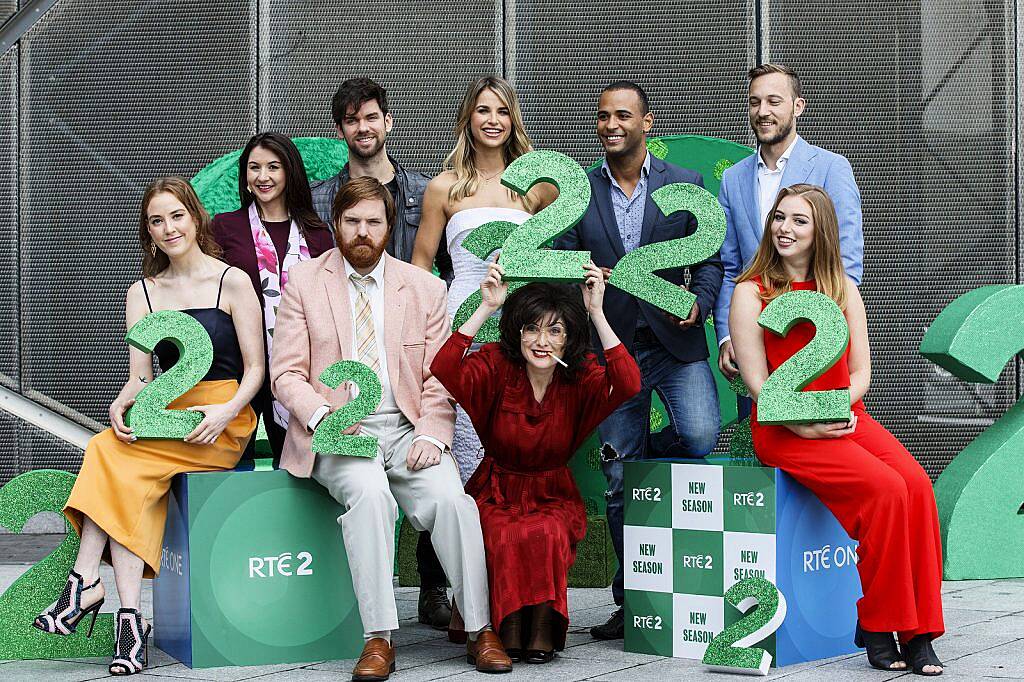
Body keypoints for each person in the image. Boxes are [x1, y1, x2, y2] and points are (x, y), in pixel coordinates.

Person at [270, 177, 512, 679]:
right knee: (372, 498)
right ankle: (378, 637)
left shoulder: (423, 286)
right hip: (336, 432)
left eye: (373, 222)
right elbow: (286, 373)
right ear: (336, 223)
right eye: (353, 221)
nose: (363, 232)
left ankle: (481, 629)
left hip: (406, 428)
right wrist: (323, 418)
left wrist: (431, 431)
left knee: (453, 500)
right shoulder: (305, 281)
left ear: (388, 225)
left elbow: (440, 376)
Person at [34, 177, 262, 675]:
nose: (168, 228)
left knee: (105, 455)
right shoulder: (142, 291)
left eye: (176, 216)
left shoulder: (233, 281)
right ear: (148, 231)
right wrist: (121, 403)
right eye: (157, 221)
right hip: (166, 413)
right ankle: (127, 619)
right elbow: (141, 378)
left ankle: (87, 586)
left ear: (195, 217)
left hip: (220, 419)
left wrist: (225, 412)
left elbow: (255, 371)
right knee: (115, 454)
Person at [730, 184, 943, 676]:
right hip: (784, 428)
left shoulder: (843, 287)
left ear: (820, 230)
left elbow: (862, 374)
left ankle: (919, 630)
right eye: (779, 218)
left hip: (847, 416)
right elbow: (758, 386)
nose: (784, 228)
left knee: (916, 487)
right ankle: (878, 622)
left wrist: (837, 409)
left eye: (799, 220)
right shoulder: (750, 291)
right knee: (886, 490)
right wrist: (805, 425)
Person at [555, 80, 724, 640]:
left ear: (647, 123)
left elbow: (711, 261)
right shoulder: (578, 191)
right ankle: (632, 602)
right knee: (619, 481)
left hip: (674, 347)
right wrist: (581, 282)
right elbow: (560, 259)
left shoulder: (687, 186)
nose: (610, 125)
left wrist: (699, 301)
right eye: (602, 116)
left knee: (699, 435)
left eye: (622, 116)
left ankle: (649, 452)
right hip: (612, 352)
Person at [431, 263, 641, 663]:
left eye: (555, 331)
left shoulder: (580, 378)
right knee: (504, 532)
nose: (542, 341)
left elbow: (629, 382)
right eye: (532, 329)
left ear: (568, 339)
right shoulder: (496, 366)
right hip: (496, 489)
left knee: (545, 530)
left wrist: (596, 312)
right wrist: (486, 307)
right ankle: (502, 632)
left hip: (551, 492)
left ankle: (542, 633)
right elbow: (444, 368)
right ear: (518, 333)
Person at [312, 77, 453, 627]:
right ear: (341, 129)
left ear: (388, 122)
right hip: (349, 358)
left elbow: (434, 262)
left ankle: (434, 586)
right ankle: (350, 599)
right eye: (351, 120)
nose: (363, 128)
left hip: (411, 347)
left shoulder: (423, 189)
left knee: (431, 465)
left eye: (372, 117)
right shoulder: (323, 197)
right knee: (361, 481)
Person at [412, 75, 555, 484]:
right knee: (468, 432)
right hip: (465, 320)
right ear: (468, 118)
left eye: (503, 111)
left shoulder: (539, 187)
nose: (494, 120)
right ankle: (466, 533)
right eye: (484, 110)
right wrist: (428, 329)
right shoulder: (443, 187)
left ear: (514, 120)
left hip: (525, 325)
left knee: (521, 428)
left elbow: (559, 257)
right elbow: (421, 265)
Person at [715, 64, 864, 413]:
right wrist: (728, 335)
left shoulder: (831, 167)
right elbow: (730, 267)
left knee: (823, 438)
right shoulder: (733, 179)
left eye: (773, 101)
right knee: (764, 446)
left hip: (815, 334)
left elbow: (848, 261)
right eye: (754, 102)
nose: (762, 111)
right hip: (755, 332)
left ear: (797, 106)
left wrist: (827, 330)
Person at [213, 132, 334, 458]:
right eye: (254, 168)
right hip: (240, 372)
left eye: (273, 167)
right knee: (233, 467)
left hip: (302, 374)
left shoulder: (317, 233)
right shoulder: (224, 227)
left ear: (289, 171)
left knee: (302, 467)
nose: (263, 177)